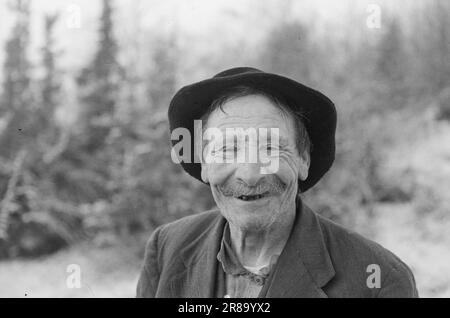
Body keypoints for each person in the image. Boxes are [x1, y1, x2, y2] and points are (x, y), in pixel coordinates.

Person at [136, 67, 418, 298]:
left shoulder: (380, 280)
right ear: (205, 164)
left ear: (303, 159)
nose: (249, 173)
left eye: (270, 148)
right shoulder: (166, 247)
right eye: (227, 150)